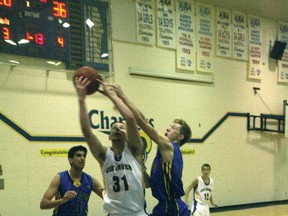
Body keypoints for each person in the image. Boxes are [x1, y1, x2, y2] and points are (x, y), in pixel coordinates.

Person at [108, 83, 192, 216]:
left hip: (172, 208)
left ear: (180, 136)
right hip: (162, 207)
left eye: (173, 128)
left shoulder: (170, 146)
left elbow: (143, 122)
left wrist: (122, 96)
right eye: (169, 126)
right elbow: (148, 184)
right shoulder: (162, 156)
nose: (168, 128)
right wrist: (139, 163)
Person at [74, 76, 148, 216]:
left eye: (122, 127)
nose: (117, 129)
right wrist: (82, 99)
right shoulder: (103, 155)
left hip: (136, 213)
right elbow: (86, 132)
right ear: (109, 136)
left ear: (128, 134)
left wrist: (111, 95)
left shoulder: (134, 151)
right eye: (114, 127)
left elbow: (131, 119)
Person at [40, 145, 103, 216]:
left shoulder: (90, 180)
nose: (82, 158)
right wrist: (62, 200)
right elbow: (43, 204)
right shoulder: (59, 178)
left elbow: (107, 197)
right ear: (70, 159)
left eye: (84, 156)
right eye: (78, 155)